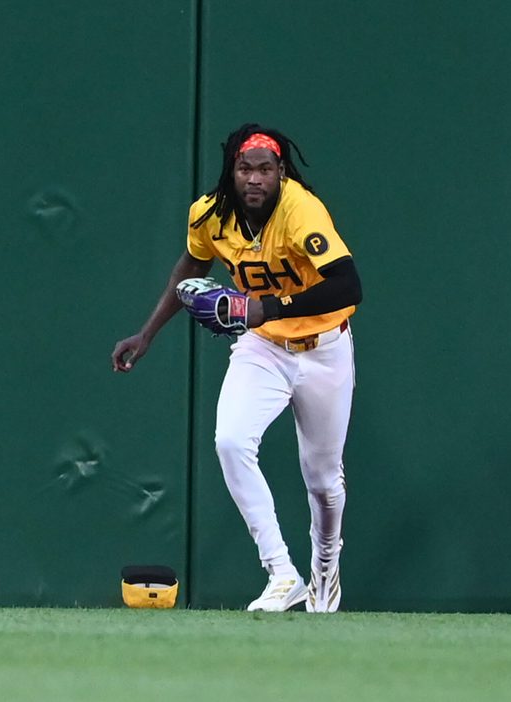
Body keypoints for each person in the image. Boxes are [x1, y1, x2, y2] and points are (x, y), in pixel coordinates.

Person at [111, 124, 362, 613]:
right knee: (230, 440)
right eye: (245, 168)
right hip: (263, 347)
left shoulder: (300, 210)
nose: (254, 179)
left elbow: (348, 286)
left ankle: (325, 571)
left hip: (325, 347)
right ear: (232, 171)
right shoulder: (209, 214)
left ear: (280, 172)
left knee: (323, 480)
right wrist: (147, 333)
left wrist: (269, 306)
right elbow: (190, 269)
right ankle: (281, 572)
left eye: (265, 169)